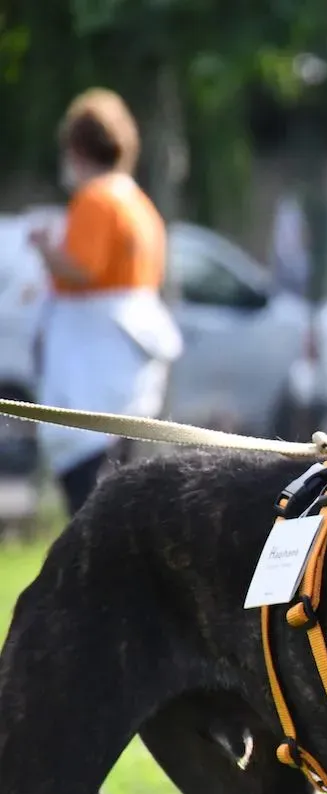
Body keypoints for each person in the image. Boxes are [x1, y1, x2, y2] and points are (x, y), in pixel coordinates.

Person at [27, 88, 183, 515]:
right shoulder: (139, 202)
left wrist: (44, 249)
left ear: (76, 147)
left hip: (90, 366)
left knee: (88, 491)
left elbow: (82, 267)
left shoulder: (96, 200)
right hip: (125, 368)